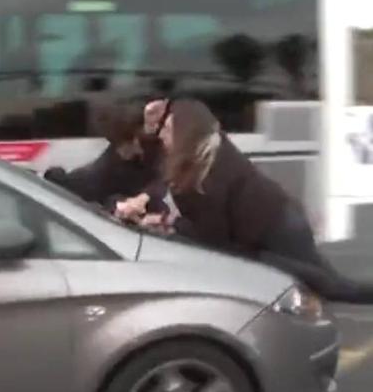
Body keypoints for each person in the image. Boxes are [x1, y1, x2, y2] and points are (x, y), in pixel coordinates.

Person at [142, 98, 373, 303]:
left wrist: (171, 224)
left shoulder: (213, 175)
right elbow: (172, 175)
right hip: (273, 224)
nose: (161, 134)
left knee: (331, 288)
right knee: (325, 283)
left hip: (280, 228)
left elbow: (213, 240)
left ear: (187, 133)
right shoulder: (207, 150)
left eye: (168, 129)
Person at [44, 102, 165, 214]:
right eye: (117, 146)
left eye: (122, 146)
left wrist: (144, 197)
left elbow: (165, 177)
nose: (121, 152)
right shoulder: (106, 167)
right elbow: (99, 193)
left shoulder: (153, 146)